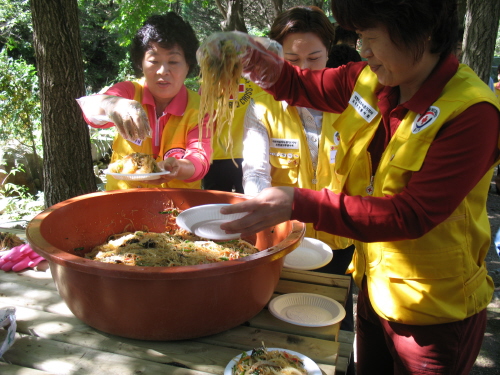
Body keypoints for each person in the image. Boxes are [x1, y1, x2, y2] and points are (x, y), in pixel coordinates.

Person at [199, 0, 500, 373]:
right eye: (360, 38)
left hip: (434, 314)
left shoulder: (471, 113)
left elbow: (411, 214)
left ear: (422, 34)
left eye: (372, 38)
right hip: (375, 289)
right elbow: (297, 83)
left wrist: (299, 203)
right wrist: (250, 56)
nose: (364, 51)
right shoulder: (371, 81)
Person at [242, 4, 356, 328]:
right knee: (279, 331)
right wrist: (263, 215)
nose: (303, 70)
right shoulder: (262, 105)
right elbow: (255, 171)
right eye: (292, 60)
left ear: (329, 52)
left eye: (314, 58)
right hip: (283, 245)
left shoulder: (352, 102)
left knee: (336, 331)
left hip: (340, 244)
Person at [78, 13, 211, 190]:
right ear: (141, 63)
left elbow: (200, 159)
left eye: (173, 61)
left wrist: (178, 167)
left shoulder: (200, 108)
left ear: (188, 65)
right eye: (154, 61)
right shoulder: (129, 92)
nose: (163, 71)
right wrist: (113, 105)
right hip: (122, 203)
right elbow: (91, 110)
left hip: (177, 207)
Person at [202, 77, 262, 193]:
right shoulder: (210, 78)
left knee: (247, 204)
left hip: (250, 156)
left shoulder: (256, 77)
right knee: (217, 207)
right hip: (216, 155)